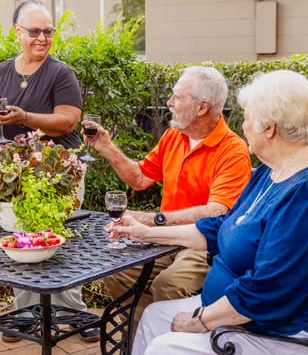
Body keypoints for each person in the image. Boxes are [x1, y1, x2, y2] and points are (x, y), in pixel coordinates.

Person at [111, 70, 308, 355]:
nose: (243, 125)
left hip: (303, 332)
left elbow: (269, 291)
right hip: (256, 314)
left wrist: (198, 321)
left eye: (248, 117)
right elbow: (222, 226)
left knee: (166, 347)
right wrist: (149, 232)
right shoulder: (271, 171)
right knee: (154, 317)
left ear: (269, 127)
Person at [0, 0, 99, 343]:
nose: (42, 38)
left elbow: (67, 120)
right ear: (17, 32)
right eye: (34, 32)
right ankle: (26, 314)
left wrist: (24, 117)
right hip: (14, 177)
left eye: (48, 31)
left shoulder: (60, 73)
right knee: (21, 244)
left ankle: (72, 313)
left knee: (61, 243)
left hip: (60, 174)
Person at [83, 66, 252, 328]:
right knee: (114, 270)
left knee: (168, 285)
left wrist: (154, 220)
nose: (169, 102)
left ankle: (166, 340)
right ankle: (146, 336)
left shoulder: (233, 151)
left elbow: (217, 211)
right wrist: (105, 146)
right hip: (163, 242)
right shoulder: (175, 135)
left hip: (202, 244)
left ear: (201, 107)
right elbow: (140, 179)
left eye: (177, 97)